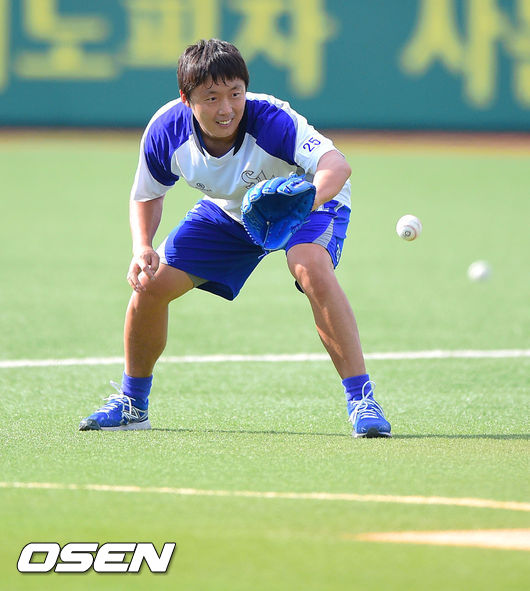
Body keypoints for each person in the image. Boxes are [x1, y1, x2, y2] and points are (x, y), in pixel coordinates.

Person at [79, 39, 391, 438]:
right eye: (211, 98)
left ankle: (361, 400)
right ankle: (132, 405)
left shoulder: (271, 119)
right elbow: (148, 194)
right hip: (231, 210)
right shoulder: (166, 130)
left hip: (309, 199)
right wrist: (142, 246)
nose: (226, 108)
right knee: (150, 284)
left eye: (235, 93)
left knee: (309, 265)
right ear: (187, 99)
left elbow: (336, 165)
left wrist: (305, 199)